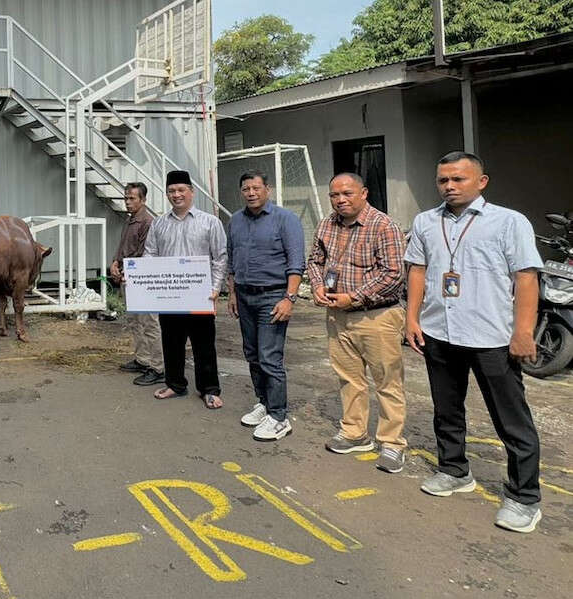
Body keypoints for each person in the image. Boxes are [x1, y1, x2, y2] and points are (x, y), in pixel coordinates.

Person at [405, 151, 545, 533]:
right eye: (443, 180)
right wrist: (412, 317)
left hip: (491, 337)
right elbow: (417, 270)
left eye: (458, 179)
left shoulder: (508, 222)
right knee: (446, 409)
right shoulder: (425, 221)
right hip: (440, 332)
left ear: (481, 182)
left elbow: (526, 278)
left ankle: (524, 498)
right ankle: (454, 470)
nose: (449, 186)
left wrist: (523, 331)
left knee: (511, 419)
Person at [306, 173, 408, 472]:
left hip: (376, 316)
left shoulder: (383, 225)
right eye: (335, 195)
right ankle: (354, 432)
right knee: (349, 378)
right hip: (337, 315)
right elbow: (315, 260)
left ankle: (392, 443)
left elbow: (392, 274)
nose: (341, 200)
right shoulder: (327, 224)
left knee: (387, 381)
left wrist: (354, 297)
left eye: (347, 193)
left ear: (363, 193)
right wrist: (317, 286)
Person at [226, 171, 305, 441]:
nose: (251, 193)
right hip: (245, 296)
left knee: (270, 357)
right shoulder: (236, 220)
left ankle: (279, 416)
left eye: (256, 187)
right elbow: (232, 259)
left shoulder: (286, 219)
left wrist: (289, 298)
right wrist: (233, 293)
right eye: (246, 188)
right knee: (252, 354)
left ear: (267, 189)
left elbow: (296, 262)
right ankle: (264, 402)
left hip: (273, 297)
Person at [144, 170, 228, 408]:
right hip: (169, 294)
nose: (176, 195)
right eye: (172, 191)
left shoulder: (210, 222)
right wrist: (141, 280)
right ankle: (175, 384)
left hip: (200, 295)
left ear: (191, 192)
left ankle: (209, 389)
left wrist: (215, 288)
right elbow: (150, 254)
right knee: (171, 340)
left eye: (181, 190)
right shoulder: (159, 223)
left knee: (203, 343)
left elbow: (220, 257)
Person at [108, 182, 162, 385]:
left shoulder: (148, 222)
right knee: (134, 322)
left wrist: (127, 271)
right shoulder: (130, 220)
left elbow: (144, 254)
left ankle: (157, 367)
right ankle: (142, 359)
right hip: (127, 277)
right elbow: (123, 246)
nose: (128, 202)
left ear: (143, 200)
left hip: (141, 279)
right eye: (126, 198)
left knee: (149, 323)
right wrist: (114, 262)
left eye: (132, 199)